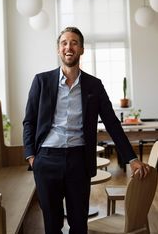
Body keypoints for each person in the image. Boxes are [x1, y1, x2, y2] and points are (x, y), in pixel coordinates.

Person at [23, 26, 150, 234]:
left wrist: (131, 158)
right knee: (52, 225)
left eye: (74, 42)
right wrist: (31, 156)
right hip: (46, 160)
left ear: (81, 49)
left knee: (79, 224)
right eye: (64, 43)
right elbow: (29, 121)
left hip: (78, 161)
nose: (68, 47)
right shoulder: (41, 81)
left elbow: (112, 123)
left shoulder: (94, 85)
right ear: (58, 50)